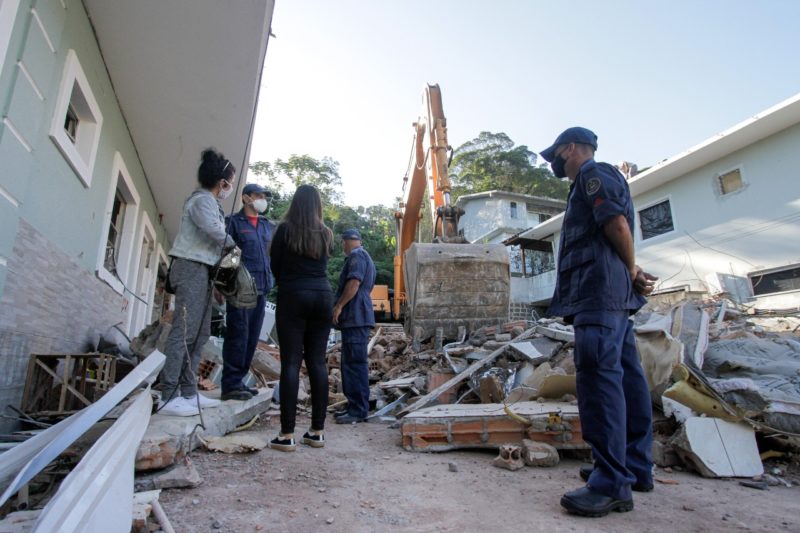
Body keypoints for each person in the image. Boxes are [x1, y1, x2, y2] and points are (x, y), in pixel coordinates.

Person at [538, 127, 658, 517]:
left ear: (571, 148)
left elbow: (617, 225)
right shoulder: (594, 179)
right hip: (611, 297)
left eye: (555, 154)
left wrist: (631, 268)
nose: (554, 162)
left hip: (598, 294)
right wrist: (630, 274)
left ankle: (610, 483)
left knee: (599, 381)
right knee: (627, 376)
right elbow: (615, 229)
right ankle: (634, 467)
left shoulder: (593, 174)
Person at [157, 148, 237, 416]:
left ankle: (188, 392)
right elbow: (213, 231)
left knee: (200, 333)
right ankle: (168, 395)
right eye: (230, 181)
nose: (230, 187)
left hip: (202, 270)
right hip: (190, 267)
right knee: (184, 331)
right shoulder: (201, 201)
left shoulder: (212, 203)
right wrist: (235, 245)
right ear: (221, 181)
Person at [268, 185, 334, 451]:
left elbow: (275, 267)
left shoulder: (284, 230)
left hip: (293, 294)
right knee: (317, 361)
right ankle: (317, 431)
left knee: (291, 363)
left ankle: (286, 435)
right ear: (317, 204)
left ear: (295, 203)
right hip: (322, 296)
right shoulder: (326, 232)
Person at [221, 183, 275, 401]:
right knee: (238, 335)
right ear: (245, 198)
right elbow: (226, 255)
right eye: (258, 195)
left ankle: (240, 381)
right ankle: (230, 384)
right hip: (240, 290)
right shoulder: (233, 223)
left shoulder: (266, 225)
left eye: (264, 196)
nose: (262, 199)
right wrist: (222, 286)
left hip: (262, 289)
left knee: (252, 337)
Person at [332, 229, 376, 424]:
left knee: (354, 364)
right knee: (350, 363)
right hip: (358, 315)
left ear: (347, 242)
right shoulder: (364, 256)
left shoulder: (356, 256)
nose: (343, 246)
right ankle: (354, 406)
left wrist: (339, 306)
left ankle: (358, 410)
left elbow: (354, 283)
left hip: (356, 315)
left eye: (343, 243)